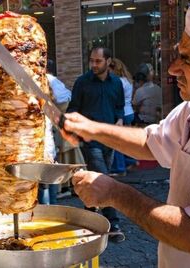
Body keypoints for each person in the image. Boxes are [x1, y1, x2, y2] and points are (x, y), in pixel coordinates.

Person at [62, 3, 190, 267]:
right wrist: (90, 128)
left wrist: (117, 193)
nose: (173, 69)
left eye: (188, 60)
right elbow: (151, 142)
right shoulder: (189, 111)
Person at [66, 47, 125, 242]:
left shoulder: (116, 83)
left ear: (108, 61)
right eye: (92, 60)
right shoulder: (82, 82)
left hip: (110, 138)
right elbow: (73, 108)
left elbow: (119, 107)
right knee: (103, 177)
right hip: (90, 140)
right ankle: (113, 222)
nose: (93, 64)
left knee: (97, 177)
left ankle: (89, 214)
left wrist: (120, 120)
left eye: (98, 61)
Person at [39, 60, 72, 205]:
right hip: (50, 145)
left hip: (43, 147)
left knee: (43, 183)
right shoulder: (49, 103)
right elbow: (67, 96)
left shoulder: (39, 105)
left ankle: (47, 210)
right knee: (50, 178)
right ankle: (53, 207)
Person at [109, 58, 136, 176]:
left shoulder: (117, 82)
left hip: (122, 113)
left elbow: (115, 99)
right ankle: (130, 161)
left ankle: (120, 168)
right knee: (126, 141)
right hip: (129, 112)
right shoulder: (128, 80)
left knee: (117, 142)